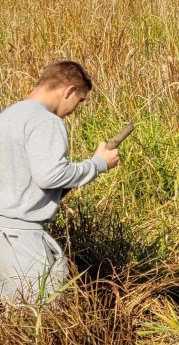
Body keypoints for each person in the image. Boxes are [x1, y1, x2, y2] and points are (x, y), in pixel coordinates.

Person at [0, 60, 120, 306]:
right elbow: (50, 175)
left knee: (12, 313)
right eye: (80, 100)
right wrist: (98, 164)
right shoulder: (46, 121)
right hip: (22, 235)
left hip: (4, 231)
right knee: (40, 313)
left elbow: (25, 178)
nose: (76, 108)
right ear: (69, 91)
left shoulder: (9, 115)